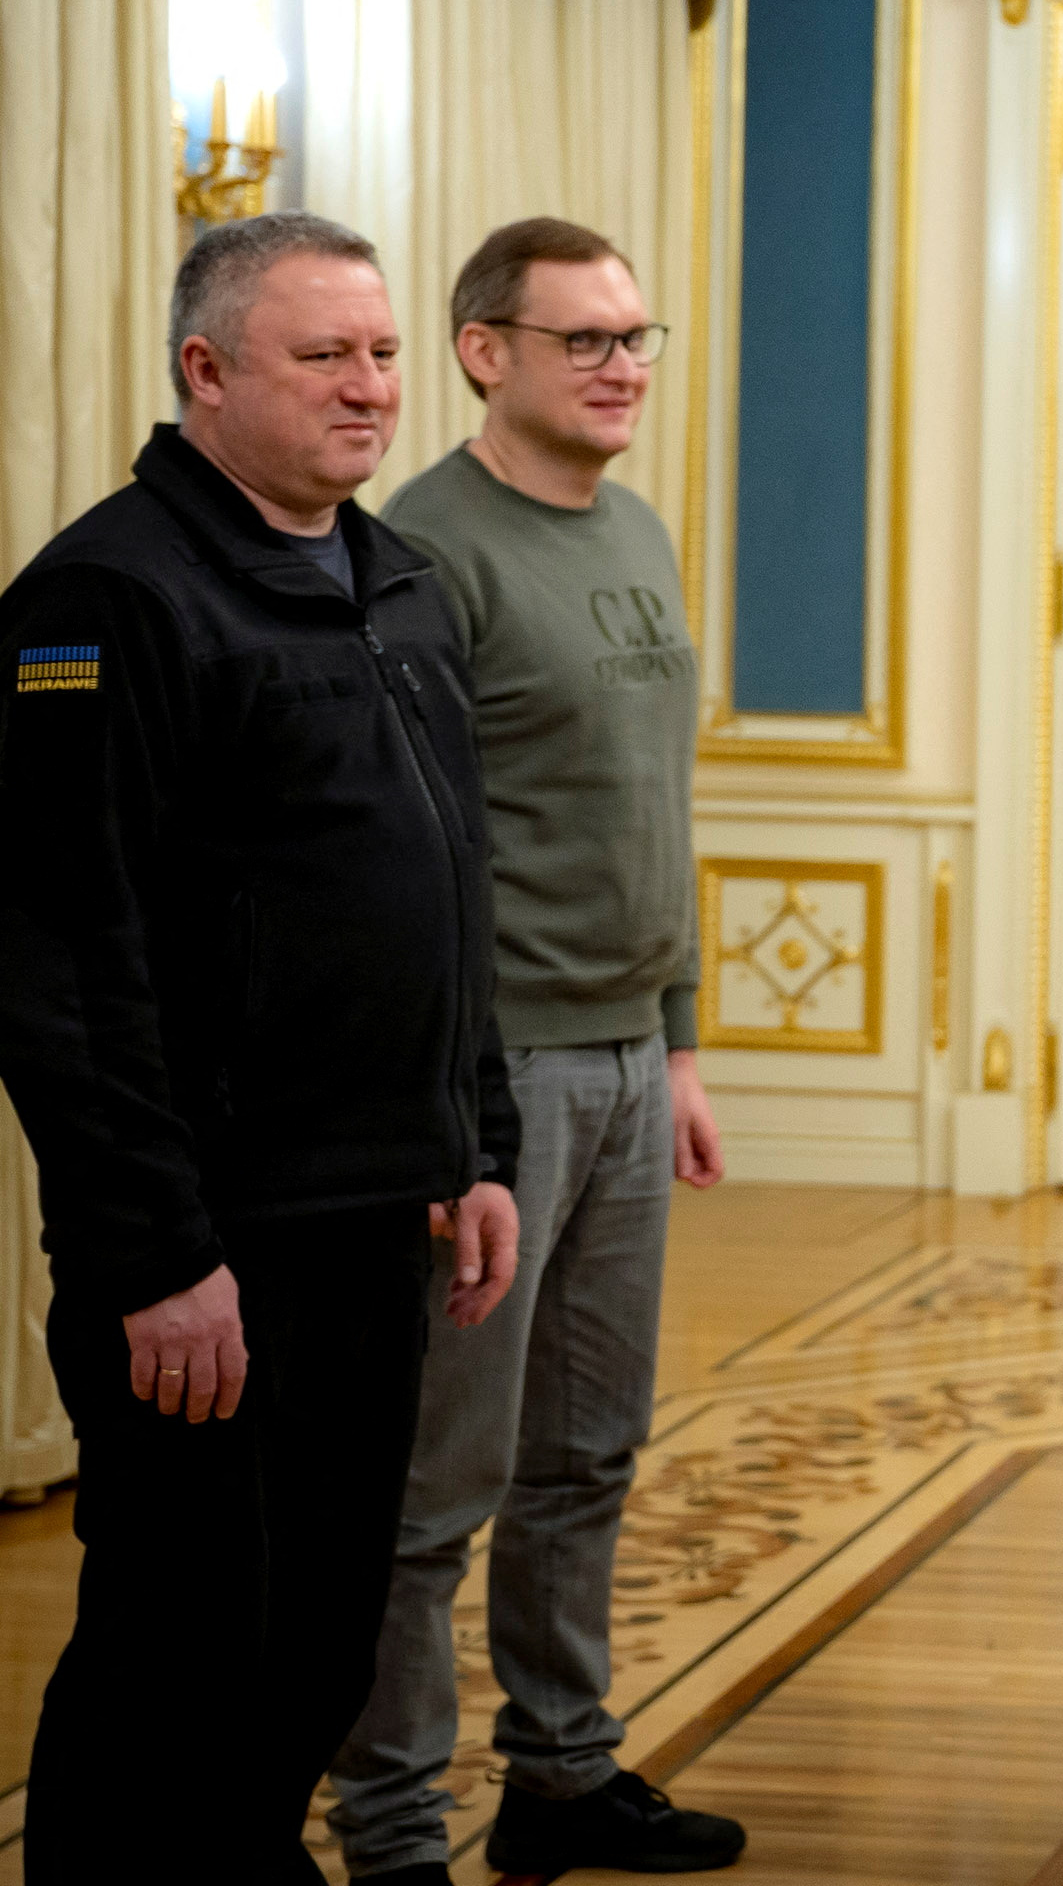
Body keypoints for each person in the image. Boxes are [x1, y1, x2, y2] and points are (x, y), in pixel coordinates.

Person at [0, 212, 521, 1882]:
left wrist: (476, 1143)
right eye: (326, 358)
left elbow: (450, 896)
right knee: (180, 1648)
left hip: (377, 1219)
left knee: (315, 1637)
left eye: (381, 353)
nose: (372, 388)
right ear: (205, 371)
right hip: (212, 1255)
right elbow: (68, 965)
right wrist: (159, 1253)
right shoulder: (104, 598)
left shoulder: (398, 583)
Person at [329, 218, 741, 1884]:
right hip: (493, 1084)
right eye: (586, 340)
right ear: (485, 353)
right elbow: (403, 859)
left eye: (637, 337)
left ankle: (562, 1773)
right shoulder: (423, 552)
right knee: (440, 1486)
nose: (624, 365)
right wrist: (457, 1122)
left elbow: (654, 807)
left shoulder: (632, 520)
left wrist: (681, 1044)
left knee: (590, 1453)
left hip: (630, 1067)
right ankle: (393, 1825)